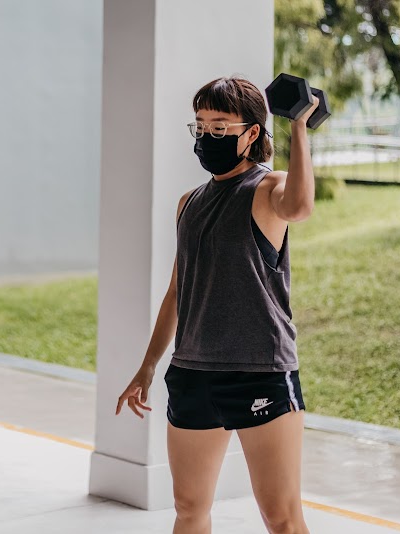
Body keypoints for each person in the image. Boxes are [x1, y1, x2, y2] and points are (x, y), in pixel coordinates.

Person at [116, 76, 318, 534]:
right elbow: (177, 291)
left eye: (220, 127)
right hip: (193, 373)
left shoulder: (268, 189)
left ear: (251, 133)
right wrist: (148, 366)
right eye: (201, 125)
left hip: (259, 371)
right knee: (189, 508)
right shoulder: (189, 203)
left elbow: (300, 208)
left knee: (282, 518)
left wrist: (298, 128)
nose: (208, 135)